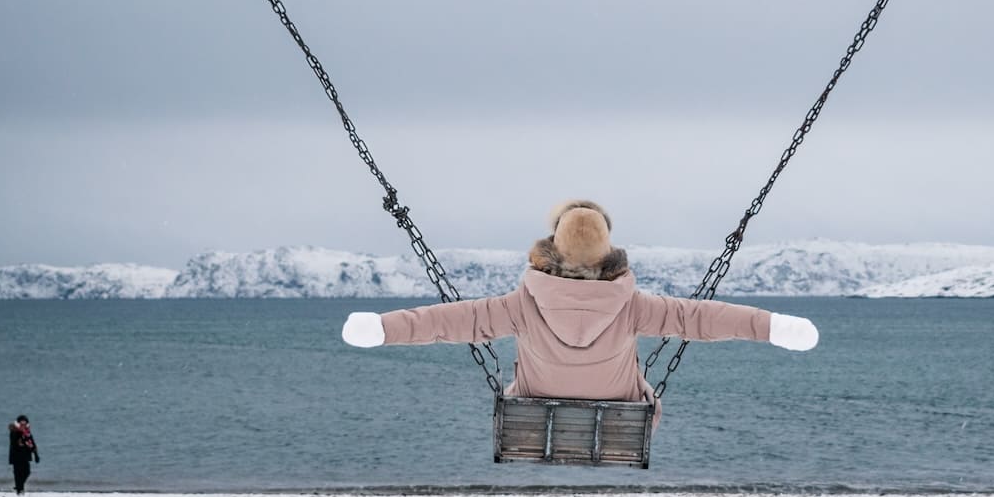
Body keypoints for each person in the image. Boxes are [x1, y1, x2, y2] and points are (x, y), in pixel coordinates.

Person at [340, 200, 819, 418]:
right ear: (610, 255)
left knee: (505, 376)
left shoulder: (520, 306)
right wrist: (772, 326)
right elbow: (702, 318)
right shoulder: (633, 306)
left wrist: (381, 329)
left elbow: (446, 323)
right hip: (622, 417)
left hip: (530, 413)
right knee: (647, 390)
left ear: (549, 250)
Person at [8, 414, 40, 494]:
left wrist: (36, 455)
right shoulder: (14, 432)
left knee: (27, 472)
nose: (23, 425)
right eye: (21, 423)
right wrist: (21, 438)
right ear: (18, 423)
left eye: (25, 423)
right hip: (16, 456)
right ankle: (20, 490)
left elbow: (32, 443)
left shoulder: (27, 432)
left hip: (25, 456)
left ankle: (19, 486)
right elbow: (15, 443)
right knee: (17, 473)